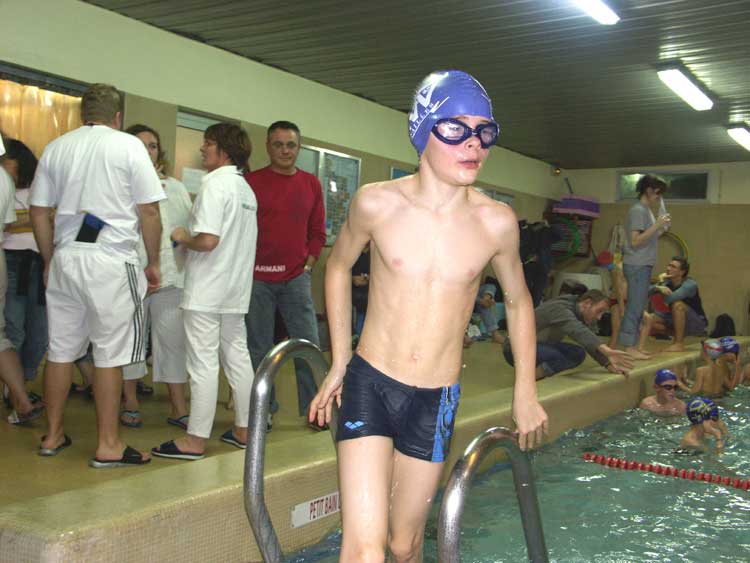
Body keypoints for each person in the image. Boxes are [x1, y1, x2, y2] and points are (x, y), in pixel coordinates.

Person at [308, 70, 548, 562]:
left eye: (484, 131)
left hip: (436, 397)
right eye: (456, 128)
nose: (474, 143)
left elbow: (519, 301)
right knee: (365, 548)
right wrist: (339, 360)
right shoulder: (377, 203)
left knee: (405, 545)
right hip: (370, 382)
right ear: (422, 130)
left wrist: (525, 389)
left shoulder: (496, 222)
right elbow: (337, 266)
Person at [30, 84, 163, 465]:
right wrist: (154, 261)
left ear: (82, 115)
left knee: (60, 351)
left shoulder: (57, 147)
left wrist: (49, 260)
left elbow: (39, 211)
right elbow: (149, 211)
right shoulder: (128, 146)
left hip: (67, 258)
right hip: (110, 260)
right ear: (117, 117)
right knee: (109, 355)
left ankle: (52, 435)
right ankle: (108, 444)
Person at [151, 123, 257, 461]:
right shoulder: (245, 189)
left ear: (224, 150)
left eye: (208, 143)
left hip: (208, 289)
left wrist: (182, 236)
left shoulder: (215, 184)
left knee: (203, 364)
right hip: (234, 289)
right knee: (237, 357)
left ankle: (195, 440)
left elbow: (208, 240)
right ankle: (245, 429)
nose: (202, 149)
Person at [244, 120, 326, 430]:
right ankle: (264, 410)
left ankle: (315, 409)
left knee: (308, 346)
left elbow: (317, 231)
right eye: (278, 144)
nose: (285, 151)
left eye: (291, 145)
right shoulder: (251, 182)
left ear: (298, 147)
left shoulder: (311, 184)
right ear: (268, 147)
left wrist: (309, 263)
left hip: (295, 280)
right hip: (257, 280)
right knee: (258, 348)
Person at [122, 124, 193, 429]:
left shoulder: (175, 187)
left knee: (173, 342)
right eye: (141, 145)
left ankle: (178, 407)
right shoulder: (120, 184)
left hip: (170, 277)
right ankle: (130, 401)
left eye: (152, 146)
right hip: (132, 274)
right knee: (130, 341)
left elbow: (187, 229)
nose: (148, 151)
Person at [0, 134, 44, 425]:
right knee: (10, 331)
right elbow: (10, 224)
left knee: (35, 333)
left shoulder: (30, 186)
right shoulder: (4, 181)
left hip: (34, 261)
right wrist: (33, 220)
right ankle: (19, 399)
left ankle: (21, 394)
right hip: (8, 258)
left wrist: (26, 221)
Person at [503, 289, 634, 380]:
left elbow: (586, 340)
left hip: (537, 346)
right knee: (557, 356)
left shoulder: (578, 311)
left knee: (577, 353)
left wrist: (607, 364)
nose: (599, 317)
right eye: (599, 311)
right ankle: (526, 381)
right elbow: (578, 331)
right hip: (515, 349)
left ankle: (534, 376)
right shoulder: (561, 309)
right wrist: (606, 350)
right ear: (587, 303)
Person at [618, 175, 670, 359]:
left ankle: (634, 346)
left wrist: (660, 228)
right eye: (657, 193)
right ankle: (629, 346)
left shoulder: (646, 211)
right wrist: (657, 225)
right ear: (648, 190)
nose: (659, 197)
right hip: (637, 264)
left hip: (643, 263)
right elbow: (635, 241)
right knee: (634, 306)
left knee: (639, 306)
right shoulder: (638, 210)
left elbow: (647, 237)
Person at [649, 256, 707, 352]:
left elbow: (669, 299)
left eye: (673, 267)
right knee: (648, 319)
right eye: (669, 265)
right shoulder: (667, 282)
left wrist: (661, 283)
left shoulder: (690, 285)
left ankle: (678, 343)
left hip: (696, 323)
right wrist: (658, 286)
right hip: (675, 318)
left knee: (677, 305)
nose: (668, 268)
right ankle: (678, 335)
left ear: (681, 272)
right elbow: (646, 292)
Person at [351, 242, 370, 340]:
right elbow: (357, 281)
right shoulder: (357, 257)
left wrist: (366, 277)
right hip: (358, 296)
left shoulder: (370, 257)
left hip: (366, 296)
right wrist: (368, 278)